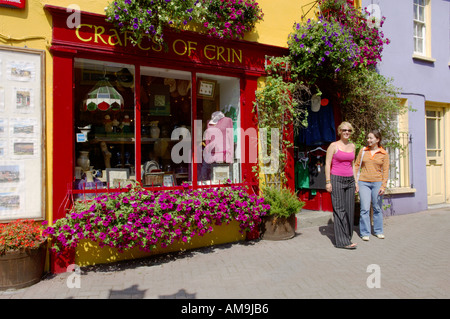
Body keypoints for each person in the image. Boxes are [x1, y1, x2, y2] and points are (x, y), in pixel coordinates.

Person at [325, 122, 359, 249]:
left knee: (350, 209)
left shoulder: (353, 146)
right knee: (339, 210)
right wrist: (328, 182)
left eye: (349, 130)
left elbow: (352, 165)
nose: (347, 132)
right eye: (344, 130)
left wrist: (355, 182)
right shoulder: (333, 146)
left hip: (350, 180)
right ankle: (342, 241)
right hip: (337, 179)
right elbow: (328, 164)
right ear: (339, 131)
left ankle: (347, 236)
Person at [354, 129, 389, 241]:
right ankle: (365, 232)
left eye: (371, 138)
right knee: (364, 208)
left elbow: (386, 171)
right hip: (363, 182)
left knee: (377, 207)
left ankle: (378, 231)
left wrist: (383, 186)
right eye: (368, 138)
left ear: (377, 139)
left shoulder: (384, 153)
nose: (368, 140)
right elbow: (356, 165)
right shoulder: (363, 150)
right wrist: (356, 182)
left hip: (377, 183)